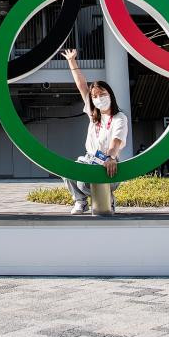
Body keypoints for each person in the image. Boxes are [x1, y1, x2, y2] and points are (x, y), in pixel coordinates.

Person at [60, 49, 127, 214]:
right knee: (67, 170)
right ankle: (80, 201)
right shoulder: (93, 113)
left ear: (110, 95)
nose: (99, 98)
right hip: (90, 158)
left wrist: (110, 157)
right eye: (95, 96)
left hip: (108, 162)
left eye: (102, 94)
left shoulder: (119, 117)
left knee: (84, 183)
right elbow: (82, 86)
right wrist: (71, 61)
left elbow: (116, 141)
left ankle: (107, 198)